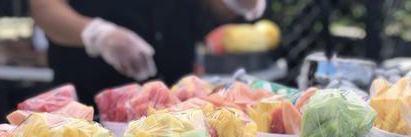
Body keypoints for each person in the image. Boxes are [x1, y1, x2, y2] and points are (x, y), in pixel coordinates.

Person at [29, 0, 266, 103]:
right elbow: (43, 8)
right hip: (91, 101)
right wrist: (97, 34)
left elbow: (218, 8)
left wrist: (237, 3)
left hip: (176, 99)